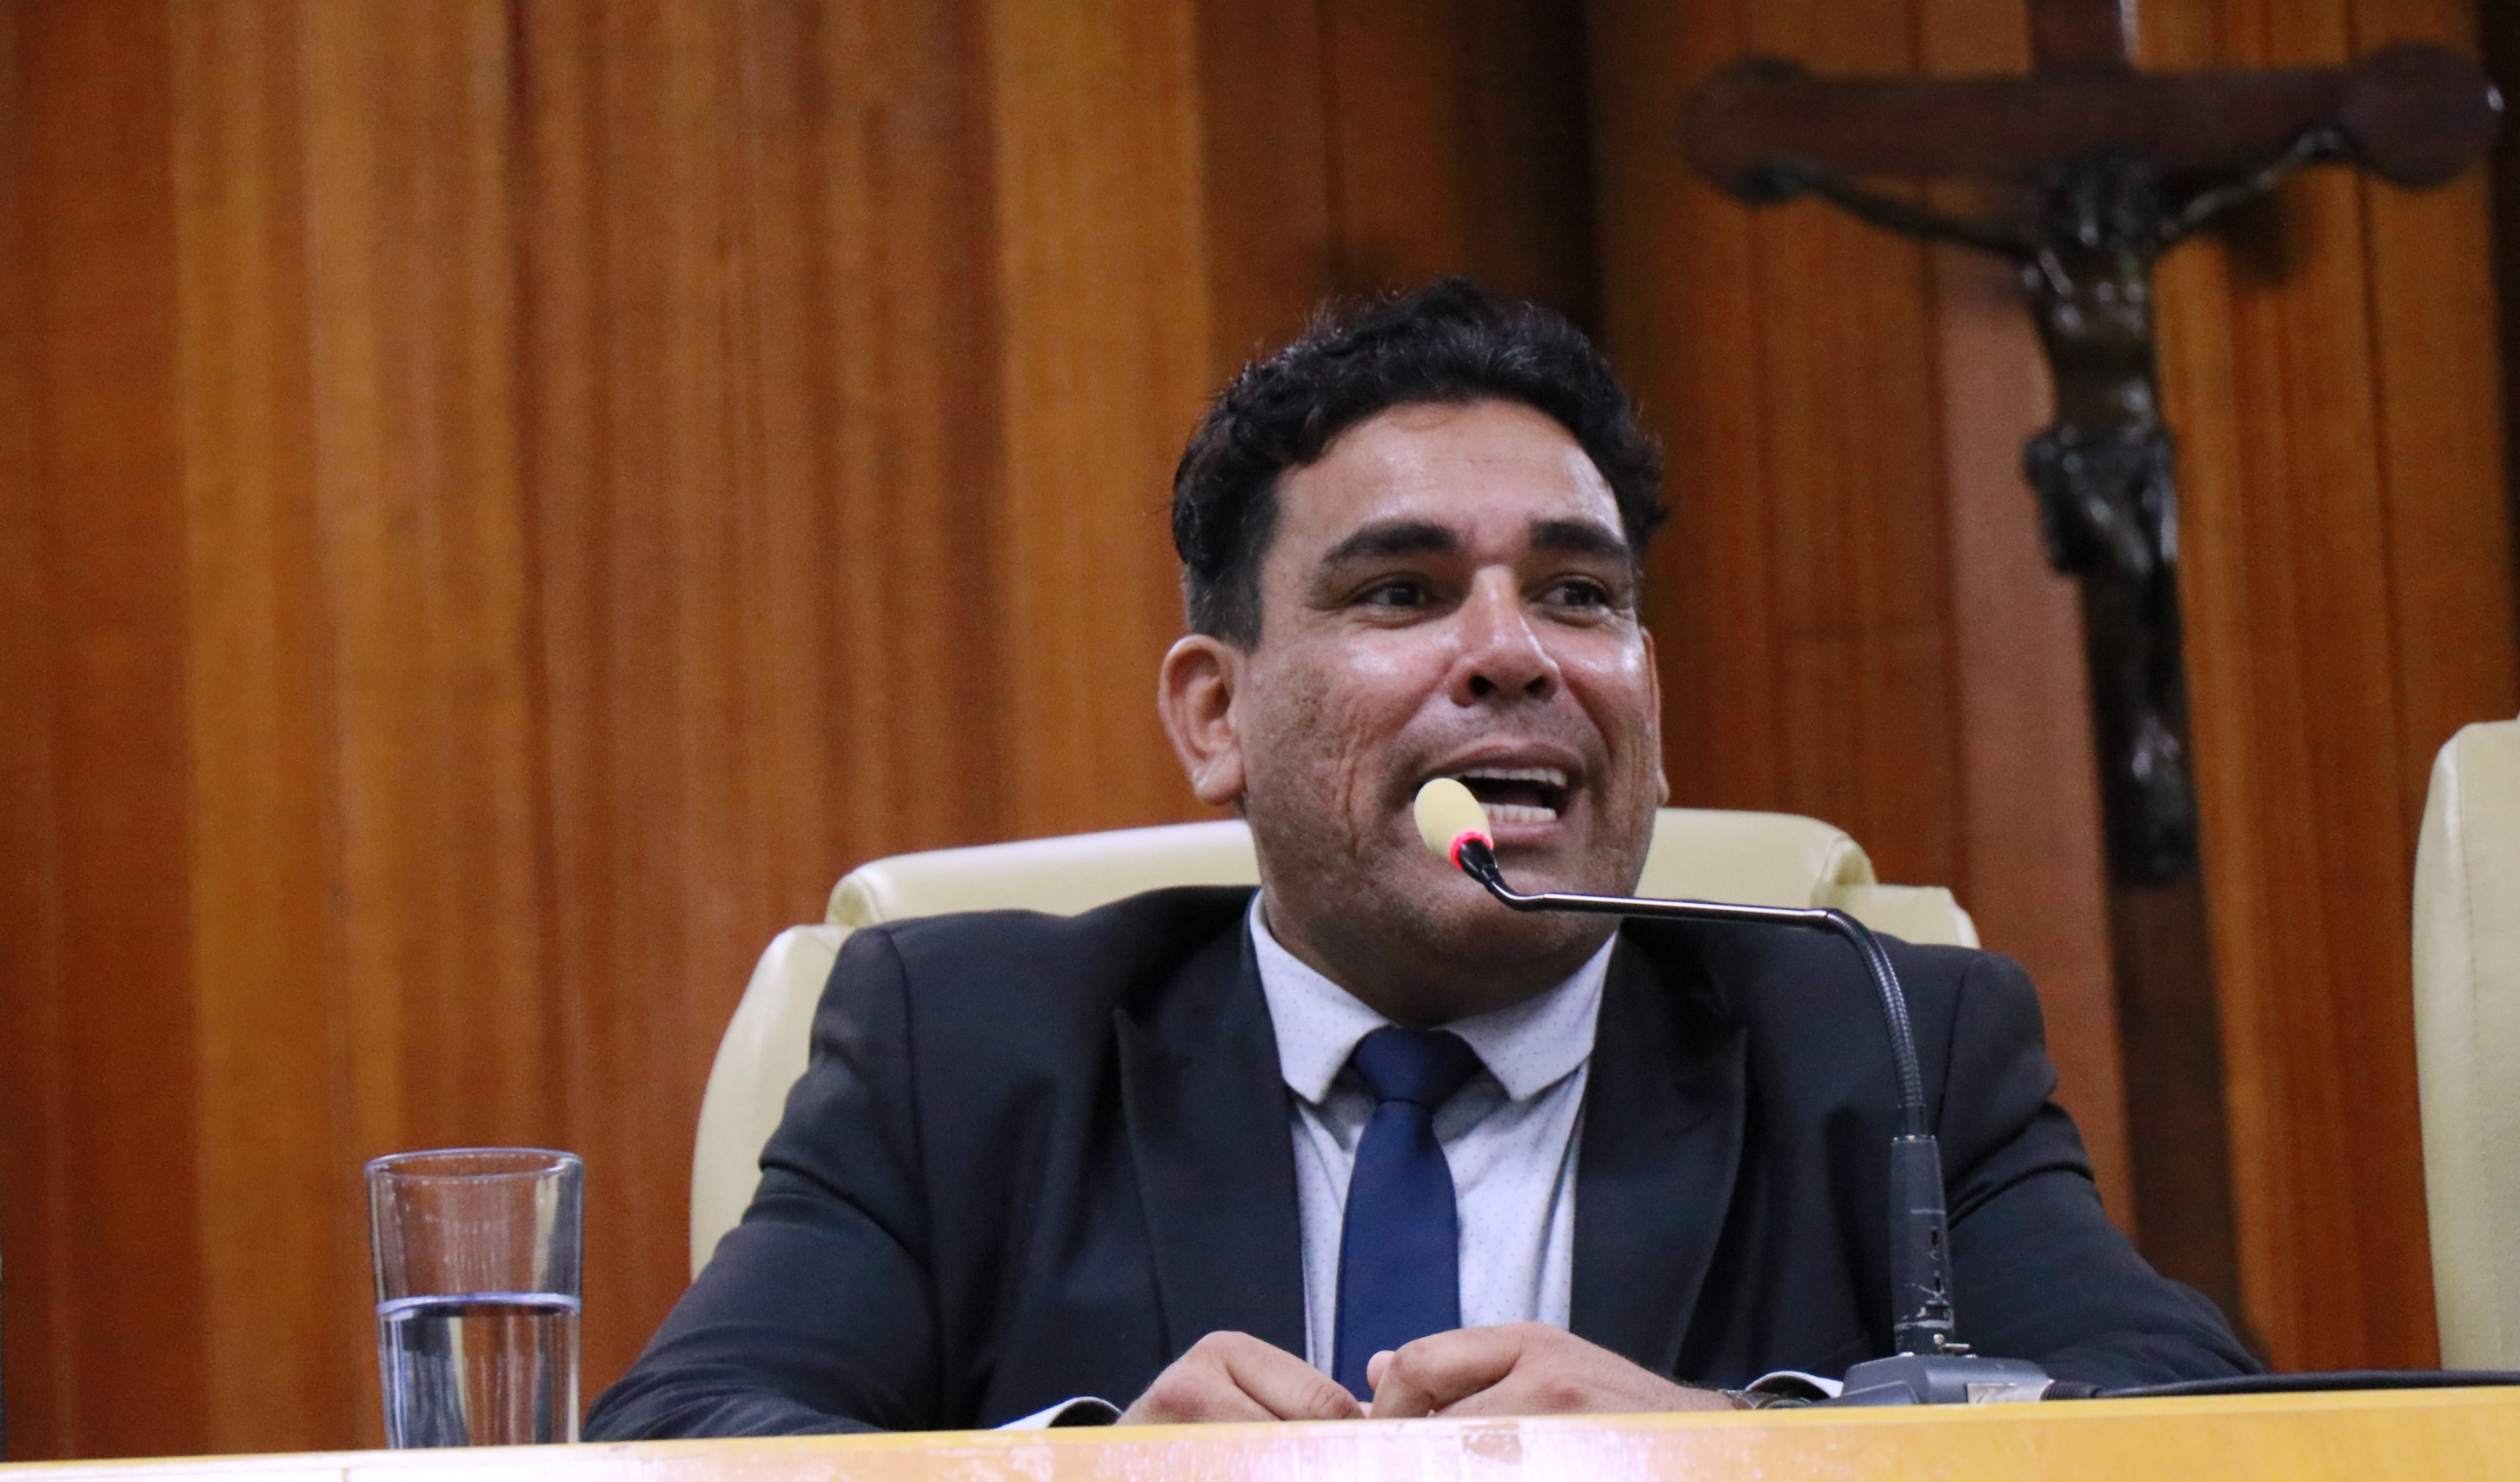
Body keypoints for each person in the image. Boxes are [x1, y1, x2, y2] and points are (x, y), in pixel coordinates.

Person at [586, 280, 2255, 1439]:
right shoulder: (962, 1048)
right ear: (1217, 716)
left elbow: (2190, 1426)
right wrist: (1082, 1475)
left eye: (1580, 594)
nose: (1513, 653)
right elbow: (685, 1438)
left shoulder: (1884, 1041)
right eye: (1402, 592)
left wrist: (1733, 1447)